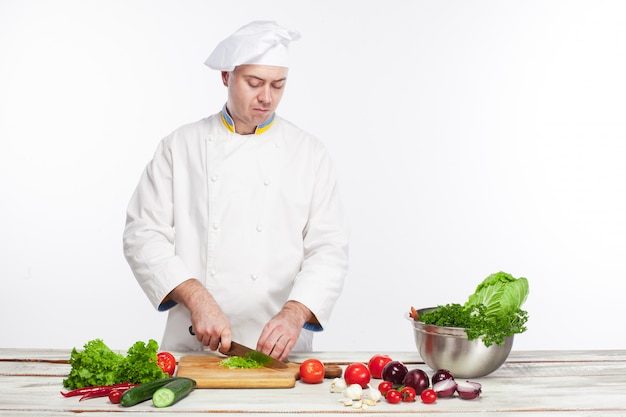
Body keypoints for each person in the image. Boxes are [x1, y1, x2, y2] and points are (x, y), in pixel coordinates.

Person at [122, 21, 349, 361]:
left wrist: (295, 313)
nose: (266, 97)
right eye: (254, 83)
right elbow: (142, 234)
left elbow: (329, 248)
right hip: (196, 346)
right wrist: (196, 296)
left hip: (280, 350)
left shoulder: (309, 153)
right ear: (226, 76)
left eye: (278, 84)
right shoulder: (181, 146)